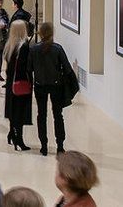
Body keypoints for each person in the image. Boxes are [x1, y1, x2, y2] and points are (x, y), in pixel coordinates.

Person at [28, 22, 73, 155]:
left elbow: (29, 68)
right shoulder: (57, 48)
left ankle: (44, 146)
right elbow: (67, 68)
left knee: (41, 115)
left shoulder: (34, 49)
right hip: (56, 85)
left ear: (40, 33)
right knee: (58, 115)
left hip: (40, 85)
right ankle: (60, 145)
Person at [3, 22, 32, 151]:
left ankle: (11, 133)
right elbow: (24, 66)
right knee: (20, 111)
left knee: (12, 109)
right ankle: (18, 139)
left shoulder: (9, 45)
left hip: (11, 83)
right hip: (20, 82)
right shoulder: (24, 46)